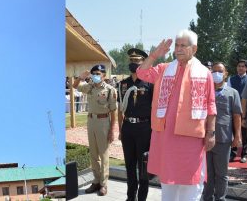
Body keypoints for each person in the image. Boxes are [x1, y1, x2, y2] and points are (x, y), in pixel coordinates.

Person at [136, 29, 217, 201]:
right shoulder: (164, 69)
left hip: (192, 139)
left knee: (191, 184)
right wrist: (154, 55)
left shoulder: (204, 73)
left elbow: (211, 105)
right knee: (168, 185)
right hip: (166, 137)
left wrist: (211, 133)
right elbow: (141, 73)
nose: (178, 49)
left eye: (183, 46)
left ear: (194, 49)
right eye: (177, 45)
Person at [72, 64, 117, 196]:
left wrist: (112, 130)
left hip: (104, 122)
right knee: (93, 154)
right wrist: (80, 77)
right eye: (94, 74)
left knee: (103, 155)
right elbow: (75, 86)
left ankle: (104, 184)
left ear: (104, 75)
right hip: (91, 121)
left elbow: (113, 112)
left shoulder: (110, 90)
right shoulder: (90, 87)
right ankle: (96, 181)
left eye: (98, 74)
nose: (96, 76)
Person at [202, 62, 242, 201]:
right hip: (205, 137)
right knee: (208, 172)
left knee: (221, 173)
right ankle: (207, 197)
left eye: (220, 71)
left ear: (225, 74)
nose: (217, 73)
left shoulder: (233, 93)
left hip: (223, 139)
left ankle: (220, 198)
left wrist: (237, 136)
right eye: (214, 71)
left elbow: (237, 116)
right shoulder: (205, 91)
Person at [117, 48, 153, 201]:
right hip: (128, 128)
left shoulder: (150, 83)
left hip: (144, 128)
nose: (133, 64)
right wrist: (120, 130)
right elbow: (120, 109)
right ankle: (130, 197)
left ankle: (142, 198)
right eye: (131, 61)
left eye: (137, 61)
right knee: (130, 166)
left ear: (143, 62)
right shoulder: (122, 84)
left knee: (143, 166)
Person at [227, 59, 247, 163]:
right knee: (233, 132)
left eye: (243, 66)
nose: (240, 68)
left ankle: (244, 154)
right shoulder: (231, 79)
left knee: (245, 134)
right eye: (239, 66)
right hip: (233, 110)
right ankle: (233, 153)